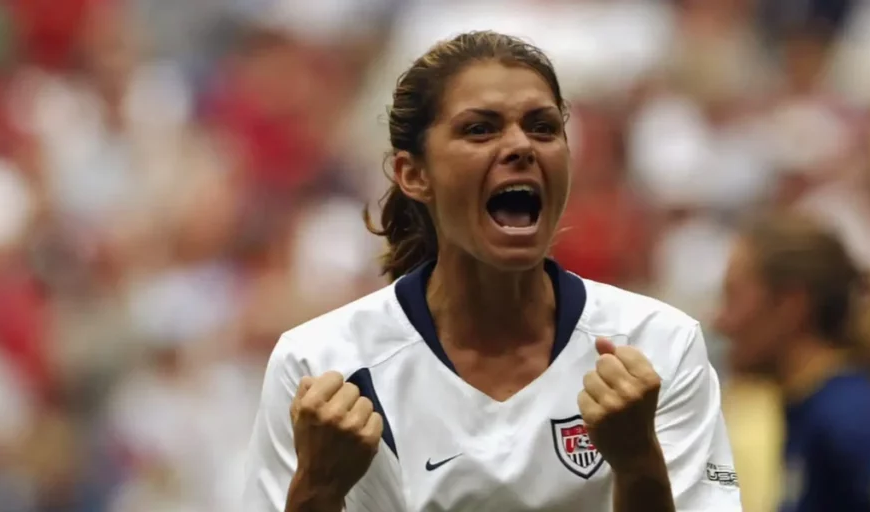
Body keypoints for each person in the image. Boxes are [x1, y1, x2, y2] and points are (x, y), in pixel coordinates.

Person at [242, 31, 742, 512]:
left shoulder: (661, 346)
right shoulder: (319, 365)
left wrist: (638, 465)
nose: (521, 145)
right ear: (413, 174)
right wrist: (316, 491)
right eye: (480, 128)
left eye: (543, 127)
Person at [714, 211, 870, 512]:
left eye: (734, 296)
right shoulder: (806, 408)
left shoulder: (844, 412)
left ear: (790, 305)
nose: (720, 322)